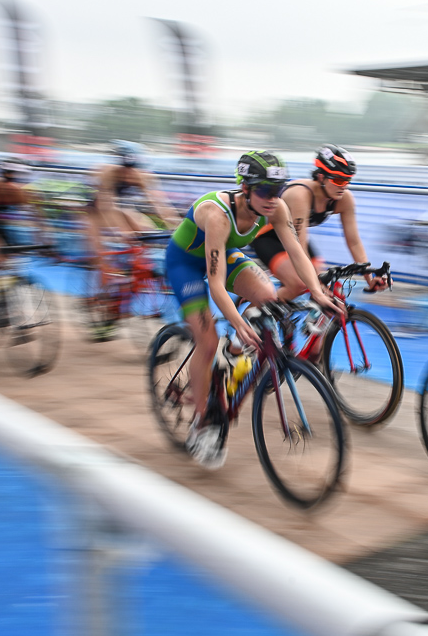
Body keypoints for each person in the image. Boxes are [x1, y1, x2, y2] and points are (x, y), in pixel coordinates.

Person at [164, 150, 343, 469]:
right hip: (185, 264)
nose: (273, 199)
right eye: (265, 191)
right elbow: (216, 285)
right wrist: (235, 321)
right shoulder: (217, 215)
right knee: (207, 341)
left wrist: (316, 290)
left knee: (269, 297)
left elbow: (297, 252)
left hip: (223, 254)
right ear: (245, 188)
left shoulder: (276, 206)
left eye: (278, 190)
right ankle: (203, 422)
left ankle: (233, 356)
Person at [249, 144, 387, 300]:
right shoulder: (300, 195)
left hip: (292, 237)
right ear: (321, 177)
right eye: (339, 180)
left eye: (347, 181)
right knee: (300, 284)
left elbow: (354, 242)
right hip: (266, 237)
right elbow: (298, 247)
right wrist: (316, 286)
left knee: (326, 281)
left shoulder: (344, 199)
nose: (344, 186)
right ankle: (253, 315)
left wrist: (369, 278)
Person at [85, 140, 179, 271]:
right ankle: (105, 273)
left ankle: (137, 267)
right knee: (100, 246)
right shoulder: (108, 173)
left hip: (120, 208)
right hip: (95, 210)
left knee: (147, 230)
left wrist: (177, 227)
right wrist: (120, 232)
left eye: (132, 170)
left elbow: (161, 205)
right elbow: (105, 206)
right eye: (124, 170)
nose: (128, 174)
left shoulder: (142, 176)